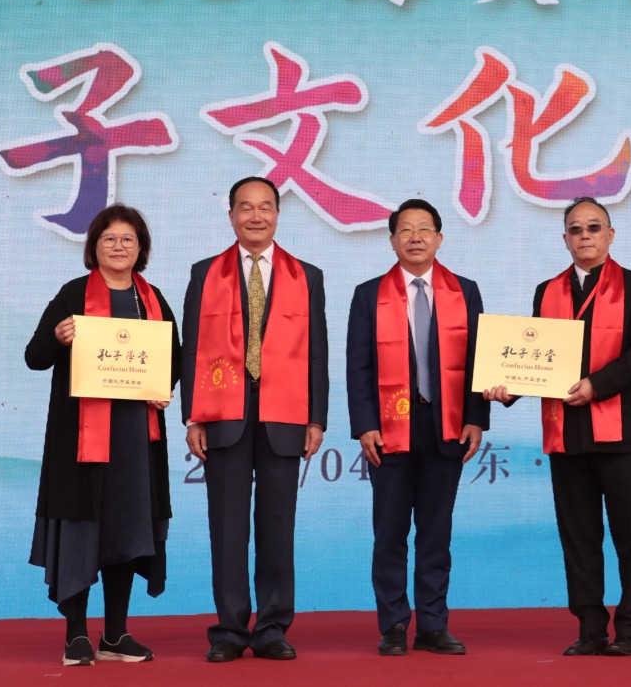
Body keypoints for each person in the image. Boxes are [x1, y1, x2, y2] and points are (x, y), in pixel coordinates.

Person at [485, 197, 631, 657]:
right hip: (567, 433)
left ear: (610, 234)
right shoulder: (547, 291)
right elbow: (536, 358)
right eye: (575, 229)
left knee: (630, 536)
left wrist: (597, 385)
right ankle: (590, 628)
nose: (584, 235)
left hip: (621, 434)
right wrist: (508, 389)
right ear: (564, 239)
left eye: (593, 227)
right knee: (579, 536)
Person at [180, 176, 327, 663]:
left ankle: (271, 628)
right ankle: (228, 629)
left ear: (278, 215)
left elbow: (318, 352)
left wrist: (316, 418)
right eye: (246, 207)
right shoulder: (206, 273)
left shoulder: (307, 275)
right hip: (223, 415)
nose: (256, 216)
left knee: (277, 528)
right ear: (231, 216)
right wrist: (192, 416)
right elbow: (192, 348)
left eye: (265, 207)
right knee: (226, 528)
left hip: (285, 417)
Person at [26, 204, 179, 667]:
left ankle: (115, 635)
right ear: (94, 247)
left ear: (141, 248)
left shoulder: (152, 300)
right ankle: (76, 635)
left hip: (136, 441)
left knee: (126, 530)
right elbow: (35, 356)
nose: (118, 246)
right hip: (81, 440)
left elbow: (173, 359)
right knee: (81, 528)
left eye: (128, 239)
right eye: (109, 239)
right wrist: (59, 336)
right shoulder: (73, 294)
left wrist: (162, 389)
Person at [345, 198, 489, 656]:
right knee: (389, 532)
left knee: (436, 534)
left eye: (424, 229)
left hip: (446, 427)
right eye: (405, 230)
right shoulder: (368, 295)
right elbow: (357, 366)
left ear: (439, 239)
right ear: (392, 241)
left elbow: (478, 361)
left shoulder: (465, 291)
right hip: (389, 429)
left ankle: (432, 624)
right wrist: (364, 424)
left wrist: (476, 418)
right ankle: (392, 625)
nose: (415, 237)